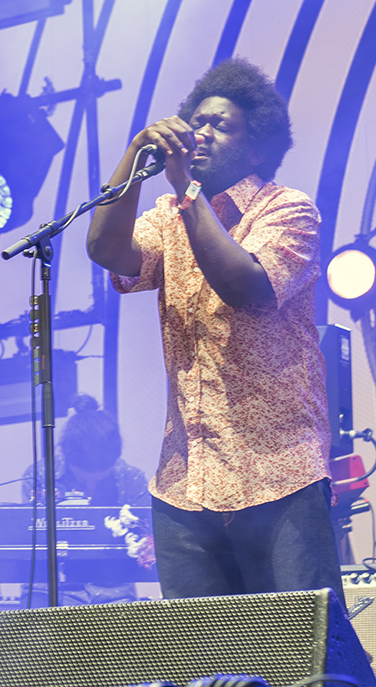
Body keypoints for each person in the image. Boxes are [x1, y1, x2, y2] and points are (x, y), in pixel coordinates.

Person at [84, 57, 337, 600]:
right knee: (202, 665)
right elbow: (108, 250)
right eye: (197, 121)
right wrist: (134, 156)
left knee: (304, 659)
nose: (201, 133)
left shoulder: (288, 210)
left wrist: (186, 190)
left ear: (256, 150)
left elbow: (244, 285)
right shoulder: (168, 213)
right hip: (185, 483)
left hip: (279, 474)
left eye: (221, 125)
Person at [19, 395, 150, 507]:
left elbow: (146, 533)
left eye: (99, 481)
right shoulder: (40, 476)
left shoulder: (132, 480)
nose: (90, 491)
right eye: (81, 479)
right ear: (65, 454)